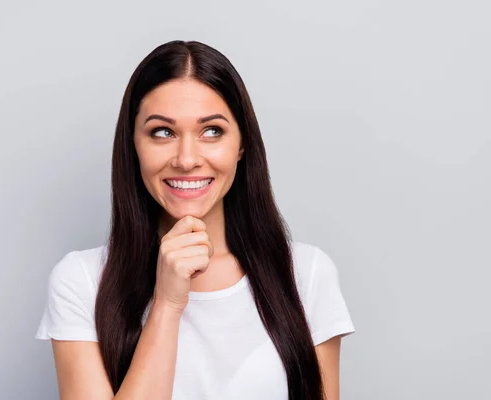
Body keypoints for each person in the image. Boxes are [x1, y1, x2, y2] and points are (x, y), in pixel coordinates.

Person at [35, 40, 355, 400]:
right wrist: (167, 305)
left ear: (241, 144)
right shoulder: (81, 281)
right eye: (162, 132)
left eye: (212, 131)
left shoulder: (306, 274)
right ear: (133, 144)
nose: (187, 159)